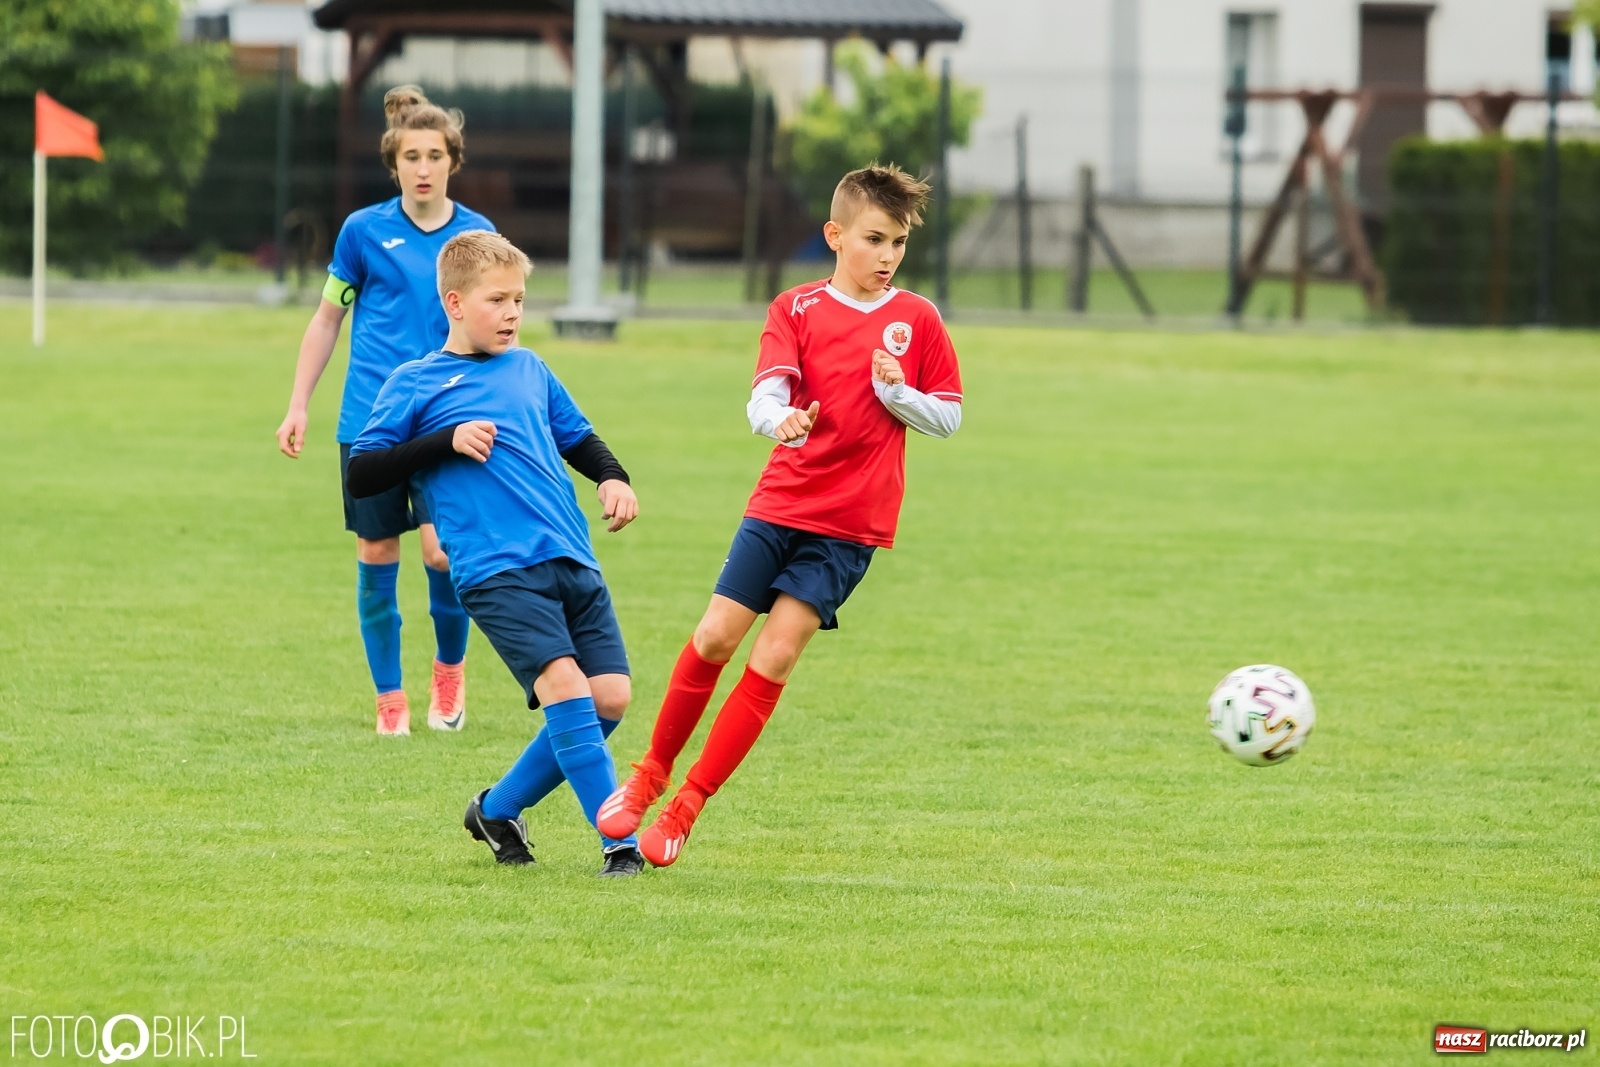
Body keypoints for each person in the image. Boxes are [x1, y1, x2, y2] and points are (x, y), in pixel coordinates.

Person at [597, 164, 964, 867]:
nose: (887, 257)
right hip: (782, 502)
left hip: (849, 524)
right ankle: (650, 772)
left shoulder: (916, 319)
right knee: (713, 638)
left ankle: (686, 806)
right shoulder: (795, 308)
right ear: (835, 235)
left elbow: (947, 414)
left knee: (776, 652)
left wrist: (899, 396)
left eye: (899, 244)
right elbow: (764, 393)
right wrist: (782, 420)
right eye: (875, 239)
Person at [346, 230, 646, 878]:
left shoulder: (531, 369)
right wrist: (443, 441)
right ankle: (618, 839)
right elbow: (363, 471)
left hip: (570, 554)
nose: (513, 313)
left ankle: (496, 808)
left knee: (610, 699)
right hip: (493, 568)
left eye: (519, 299)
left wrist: (614, 477)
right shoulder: (416, 381)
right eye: (497, 300)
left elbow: (579, 436)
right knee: (564, 684)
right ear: (454, 303)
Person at [275, 86, 495, 736]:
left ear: (452, 160)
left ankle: (448, 675)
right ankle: (389, 698)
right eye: (411, 156)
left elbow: (499, 325)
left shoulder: (478, 235)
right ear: (393, 162)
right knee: (376, 550)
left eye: (434, 155)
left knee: (442, 555)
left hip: (449, 422)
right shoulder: (363, 232)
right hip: (371, 423)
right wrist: (297, 405)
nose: (422, 167)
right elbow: (326, 319)